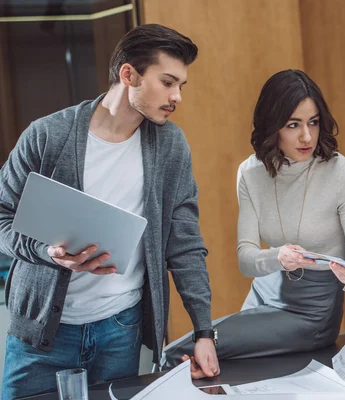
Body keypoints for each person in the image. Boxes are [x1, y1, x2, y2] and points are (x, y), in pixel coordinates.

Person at [0, 24, 218, 399]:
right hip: (41, 332)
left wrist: (203, 331)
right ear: (128, 74)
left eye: (181, 85)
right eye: (167, 82)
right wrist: (46, 252)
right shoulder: (47, 135)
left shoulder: (171, 147)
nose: (177, 96)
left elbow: (185, 244)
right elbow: (3, 217)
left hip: (120, 329)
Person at [163, 69, 345, 375]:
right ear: (272, 125)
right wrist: (276, 256)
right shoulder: (251, 173)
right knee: (206, 363)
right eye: (293, 125)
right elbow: (246, 259)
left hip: (311, 314)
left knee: (178, 353)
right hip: (262, 296)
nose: (307, 136)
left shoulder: (343, 174)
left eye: (313, 122)